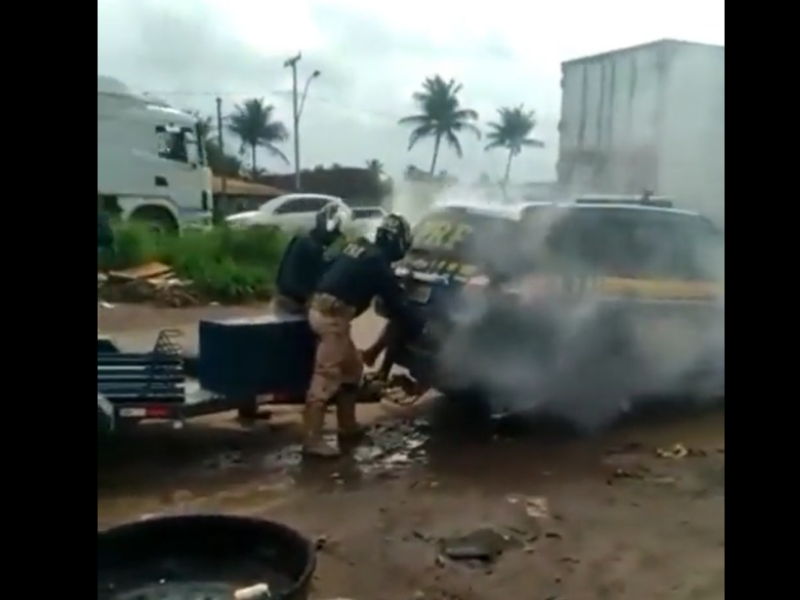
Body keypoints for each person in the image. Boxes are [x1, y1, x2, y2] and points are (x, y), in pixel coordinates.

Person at [302, 213, 423, 457]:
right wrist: (420, 325)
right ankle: (311, 440)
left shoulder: (360, 245)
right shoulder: (378, 264)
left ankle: (348, 427)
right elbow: (397, 307)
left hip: (322, 308)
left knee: (352, 371)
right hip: (332, 318)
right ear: (396, 241)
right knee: (325, 379)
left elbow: (328, 265)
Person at [272, 203, 345, 315]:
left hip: (284, 300)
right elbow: (324, 280)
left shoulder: (303, 239)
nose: (335, 237)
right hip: (294, 305)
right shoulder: (312, 247)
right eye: (336, 233)